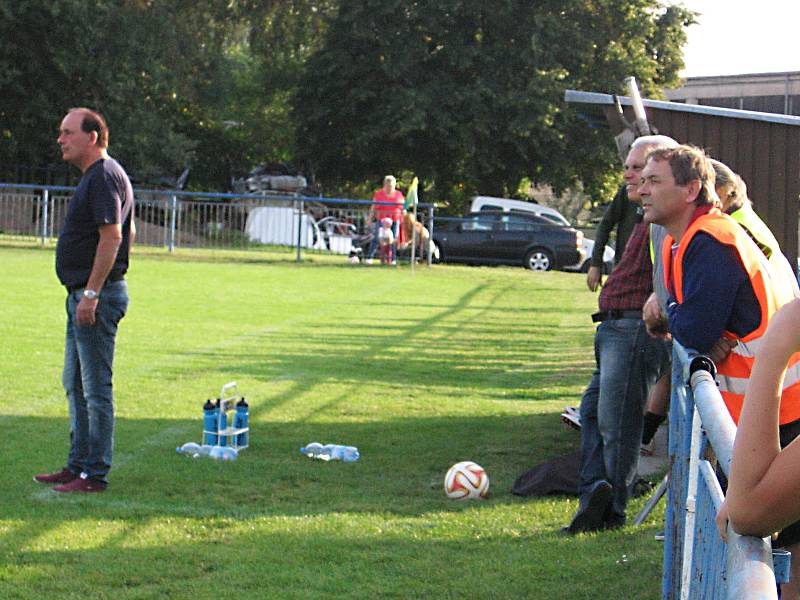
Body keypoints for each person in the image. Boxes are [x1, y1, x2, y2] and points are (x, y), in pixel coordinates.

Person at [638, 145, 800, 596]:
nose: (640, 190)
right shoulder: (685, 238)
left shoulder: (711, 237)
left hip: (773, 412)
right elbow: (692, 324)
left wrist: (777, 345)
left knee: (773, 548)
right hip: (754, 411)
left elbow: (694, 327)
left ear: (692, 189)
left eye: (652, 180)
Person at [563, 135, 676, 535]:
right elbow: (607, 226)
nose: (630, 176)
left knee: (618, 425)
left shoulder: (666, 222)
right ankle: (596, 494)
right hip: (614, 326)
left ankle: (610, 513)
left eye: (640, 169)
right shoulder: (643, 215)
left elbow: (672, 274)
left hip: (632, 331)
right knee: (592, 412)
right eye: (629, 168)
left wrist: (657, 299)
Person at [33, 107, 135, 493]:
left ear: (91, 137)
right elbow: (130, 230)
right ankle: (77, 465)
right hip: (83, 296)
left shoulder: (104, 176)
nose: (60, 139)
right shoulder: (99, 177)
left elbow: (113, 237)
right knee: (75, 385)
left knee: (94, 389)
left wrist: (92, 293)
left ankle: (93, 474)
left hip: (94, 297)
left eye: (67, 132)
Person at [585, 184, 641, 292]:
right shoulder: (626, 192)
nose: (628, 174)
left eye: (637, 167)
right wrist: (596, 264)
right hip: (625, 268)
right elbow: (605, 225)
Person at [366, 175, 404, 264]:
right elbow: (373, 207)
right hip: (381, 220)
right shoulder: (378, 194)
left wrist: (403, 217)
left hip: (395, 220)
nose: (390, 188)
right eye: (388, 186)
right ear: (385, 185)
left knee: (393, 238)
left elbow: (403, 207)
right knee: (377, 238)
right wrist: (369, 219)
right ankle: (369, 258)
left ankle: (392, 259)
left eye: (392, 186)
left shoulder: (399, 195)